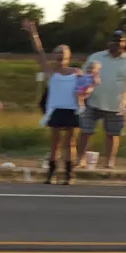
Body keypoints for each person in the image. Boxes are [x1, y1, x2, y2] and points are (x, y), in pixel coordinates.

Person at [22, 20, 86, 185]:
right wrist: (33, 33)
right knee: (55, 142)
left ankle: (69, 173)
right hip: (56, 109)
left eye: (63, 53)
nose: (60, 56)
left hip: (72, 109)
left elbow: (87, 86)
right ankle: (51, 173)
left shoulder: (76, 72)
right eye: (58, 53)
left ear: (68, 57)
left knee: (70, 142)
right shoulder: (50, 72)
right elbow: (40, 51)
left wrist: (85, 92)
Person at [75, 30, 126, 169]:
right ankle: (80, 159)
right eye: (114, 41)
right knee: (86, 131)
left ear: (125, 43)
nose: (117, 44)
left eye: (121, 41)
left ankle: (109, 161)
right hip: (92, 100)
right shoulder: (96, 57)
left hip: (117, 103)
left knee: (112, 134)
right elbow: (83, 76)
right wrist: (81, 94)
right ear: (108, 42)